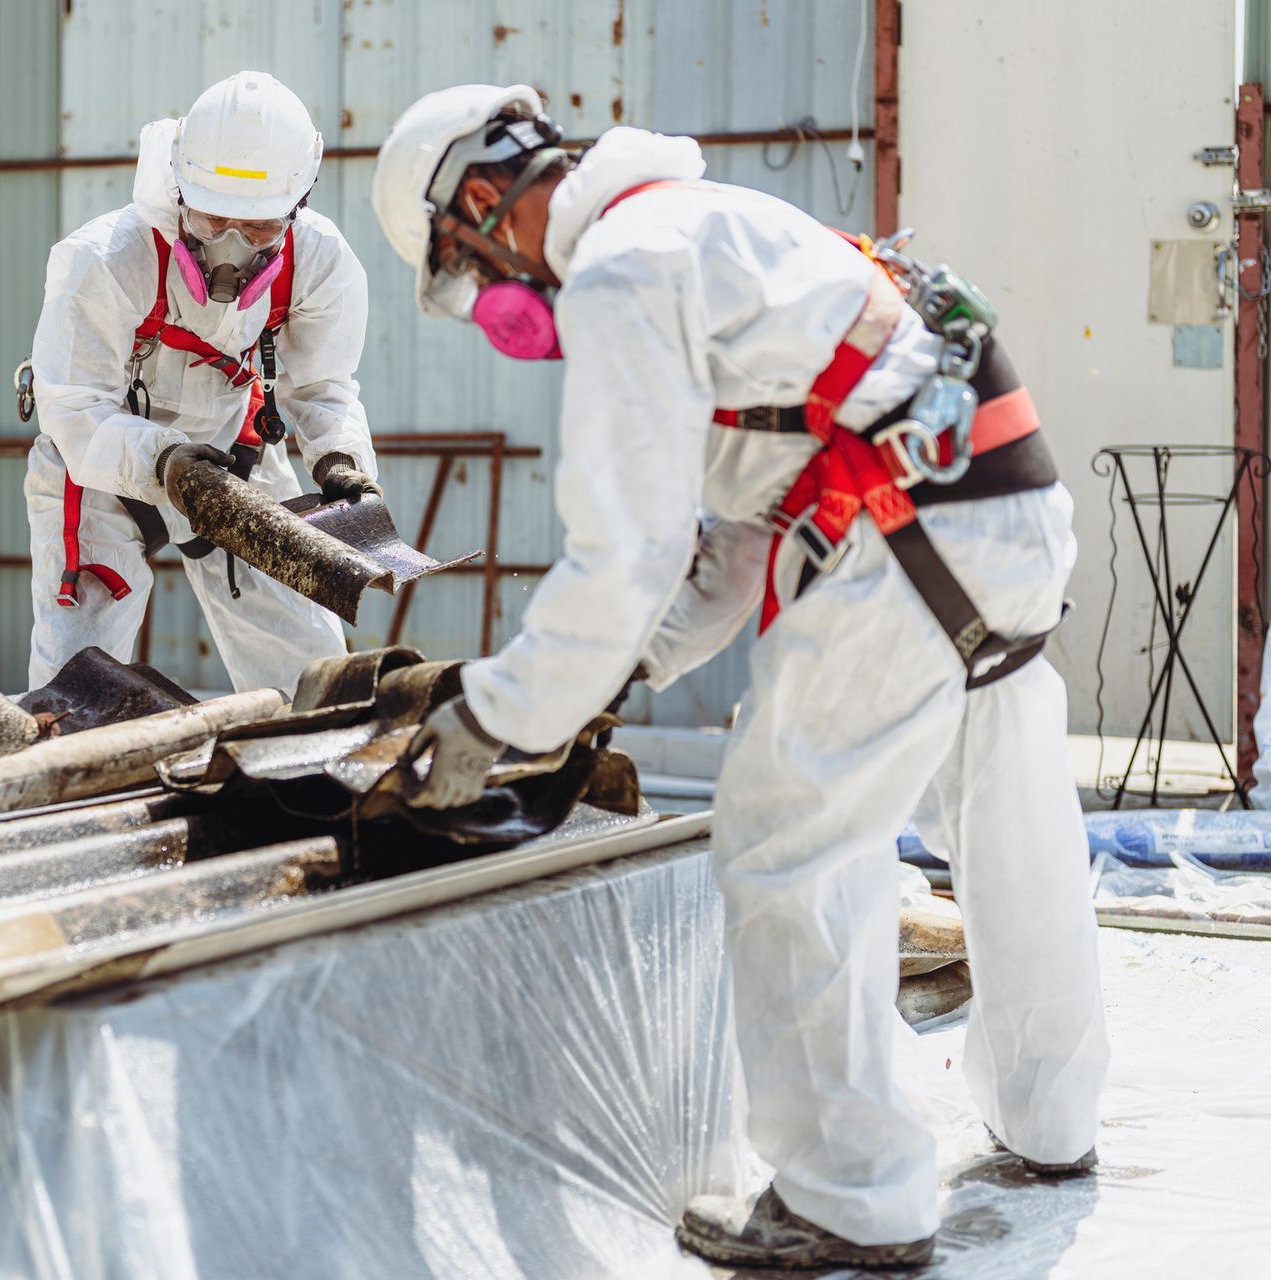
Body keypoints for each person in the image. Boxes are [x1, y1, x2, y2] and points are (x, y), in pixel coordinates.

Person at [372, 85, 1108, 1269]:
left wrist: (498, 715)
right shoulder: (710, 221)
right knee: (1013, 827)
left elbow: (627, 555)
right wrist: (624, 670)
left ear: (477, 202)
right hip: (1000, 505)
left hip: (901, 536)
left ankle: (850, 1197)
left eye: (466, 272)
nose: (493, 308)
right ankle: (1053, 1120)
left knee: (787, 845)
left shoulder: (620, 267)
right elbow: (744, 531)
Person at [22, 71, 379, 694]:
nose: (232, 251)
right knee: (77, 688)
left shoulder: (319, 259)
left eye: (262, 229)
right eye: (214, 221)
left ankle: (306, 784)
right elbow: (76, 411)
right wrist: (164, 461)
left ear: (299, 203)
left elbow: (324, 386)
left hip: (232, 458)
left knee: (310, 667)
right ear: (180, 189)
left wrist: (340, 459)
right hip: (100, 467)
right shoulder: (107, 258)